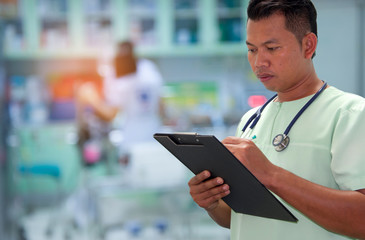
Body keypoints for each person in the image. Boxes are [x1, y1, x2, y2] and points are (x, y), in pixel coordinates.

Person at [188, 0, 365, 239]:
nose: (259, 62)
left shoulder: (349, 114)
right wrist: (211, 204)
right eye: (252, 49)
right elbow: (240, 217)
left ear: (308, 45)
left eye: (271, 48)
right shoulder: (251, 120)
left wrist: (271, 175)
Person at [76, 40, 165, 162]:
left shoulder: (119, 75)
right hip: (155, 137)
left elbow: (110, 115)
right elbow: (161, 107)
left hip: (132, 142)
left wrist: (91, 98)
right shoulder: (148, 68)